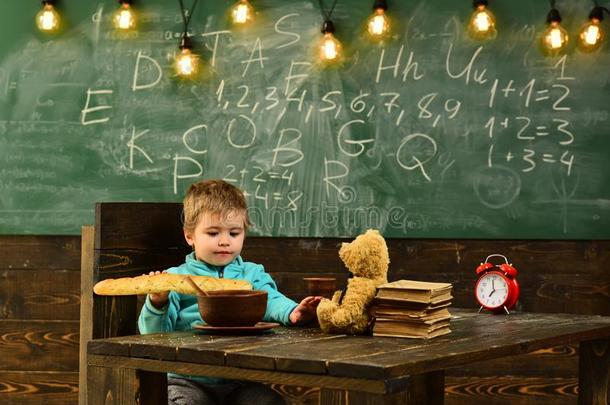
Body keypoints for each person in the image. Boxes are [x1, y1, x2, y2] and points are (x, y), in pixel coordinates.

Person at [138, 179, 321, 405]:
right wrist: (157, 303)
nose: (225, 241)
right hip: (187, 379)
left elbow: (270, 300)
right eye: (213, 233)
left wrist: (293, 312)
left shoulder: (252, 274)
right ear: (190, 236)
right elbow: (152, 337)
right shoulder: (175, 279)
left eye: (234, 233)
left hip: (241, 378)